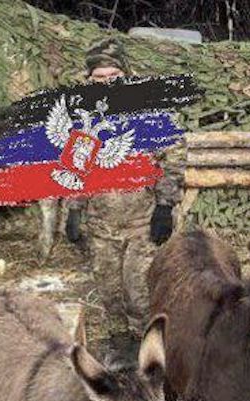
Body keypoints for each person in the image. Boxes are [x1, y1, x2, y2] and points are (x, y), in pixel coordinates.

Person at [65, 37, 185, 336]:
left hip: (142, 224)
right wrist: (74, 209)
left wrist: (164, 206)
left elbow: (173, 157)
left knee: (140, 294)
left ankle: (146, 345)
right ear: (89, 79)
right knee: (109, 294)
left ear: (126, 74)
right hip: (101, 226)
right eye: (99, 77)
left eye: (114, 75)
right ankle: (118, 345)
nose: (107, 82)